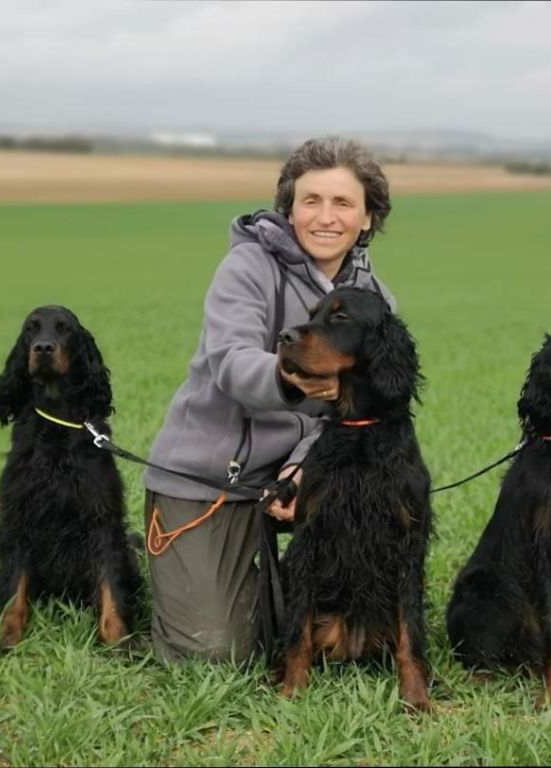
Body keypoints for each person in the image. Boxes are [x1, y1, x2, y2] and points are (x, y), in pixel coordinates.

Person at [142, 137, 397, 664]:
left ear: (368, 218)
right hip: (210, 478)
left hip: (298, 478)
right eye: (311, 201)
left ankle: (264, 589)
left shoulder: (375, 301)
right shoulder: (246, 269)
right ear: (289, 208)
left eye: (343, 203)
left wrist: (307, 467)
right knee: (214, 653)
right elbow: (232, 365)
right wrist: (294, 380)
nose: (326, 217)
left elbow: (362, 409)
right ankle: (186, 576)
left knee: (346, 639)